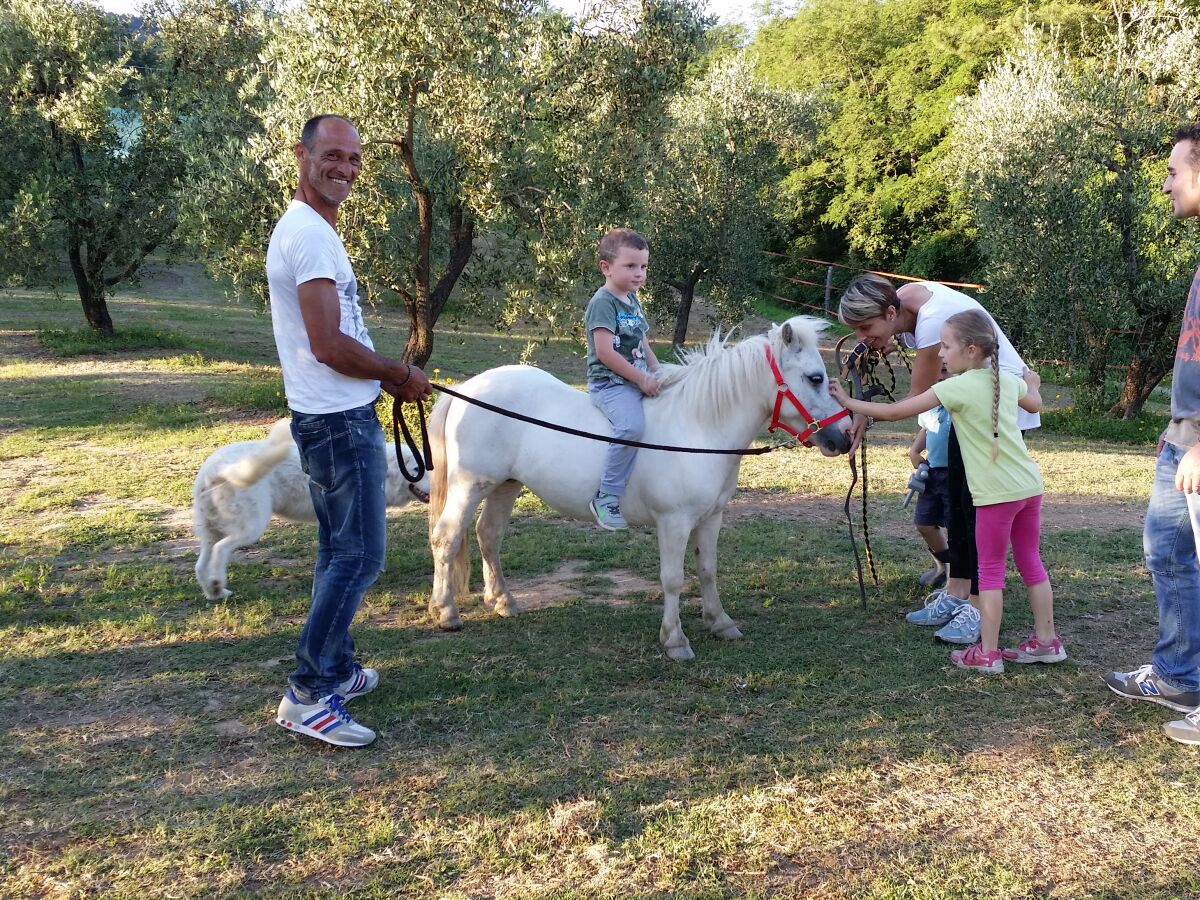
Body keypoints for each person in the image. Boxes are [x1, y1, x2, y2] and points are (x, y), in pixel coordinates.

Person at [266, 114, 432, 748]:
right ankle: (308, 695)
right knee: (360, 556)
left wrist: (386, 378)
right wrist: (395, 374)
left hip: (334, 414)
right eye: (333, 155)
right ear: (304, 155)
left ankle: (335, 667)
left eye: (355, 159)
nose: (346, 168)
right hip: (336, 420)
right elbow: (328, 344)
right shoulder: (309, 237)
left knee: (339, 552)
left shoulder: (312, 230)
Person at [831, 310, 1063, 674]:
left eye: (946, 346)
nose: (939, 354)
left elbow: (894, 412)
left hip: (995, 495)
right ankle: (1047, 642)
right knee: (1031, 561)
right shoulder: (1005, 379)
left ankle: (987, 653)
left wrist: (848, 402)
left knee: (988, 573)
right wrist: (1033, 382)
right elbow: (1035, 403)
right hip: (1029, 487)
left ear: (970, 350)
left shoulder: (954, 388)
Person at [1105, 123, 1200, 745]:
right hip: (1182, 432)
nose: (1164, 183)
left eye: (1174, 170)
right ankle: (1179, 674)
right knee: (1167, 552)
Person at [585, 228, 662, 530]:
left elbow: (642, 343)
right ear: (606, 267)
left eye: (643, 267)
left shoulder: (631, 299)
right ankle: (606, 496)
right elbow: (605, 353)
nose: (639, 273)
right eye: (630, 266)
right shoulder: (604, 302)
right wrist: (642, 380)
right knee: (631, 426)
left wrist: (658, 372)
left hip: (633, 379)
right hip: (610, 384)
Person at [908, 402, 951, 591]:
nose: (940, 376)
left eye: (944, 370)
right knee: (924, 522)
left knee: (957, 528)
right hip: (932, 473)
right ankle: (944, 566)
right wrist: (914, 451)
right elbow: (926, 427)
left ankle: (957, 579)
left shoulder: (961, 399)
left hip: (957, 474)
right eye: (937, 372)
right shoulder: (929, 403)